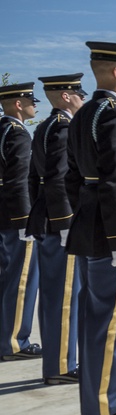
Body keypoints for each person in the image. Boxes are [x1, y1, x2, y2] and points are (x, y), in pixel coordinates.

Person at [66, 41, 116, 415]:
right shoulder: (115, 116)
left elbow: (71, 178)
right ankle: (105, 407)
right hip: (110, 234)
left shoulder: (81, 115)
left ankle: (98, 402)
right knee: (110, 322)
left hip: (88, 228)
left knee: (95, 319)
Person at [26, 74, 87, 383]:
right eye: (78, 94)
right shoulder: (63, 128)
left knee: (53, 297)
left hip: (46, 219)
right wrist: (66, 225)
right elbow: (58, 180)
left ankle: (55, 361)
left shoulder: (45, 127)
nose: (82, 99)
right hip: (59, 223)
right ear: (66, 96)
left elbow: (33, 178)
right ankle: (61, 365)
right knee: (63, 297)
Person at [0, 82, 41, 362]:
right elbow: (18, 183)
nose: (34, 105)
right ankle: (14, 342)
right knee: (20, 282)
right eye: (30, 101)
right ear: (17, 104)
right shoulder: (18, 134)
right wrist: (26, 221)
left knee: (5, 281)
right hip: (14, 220)